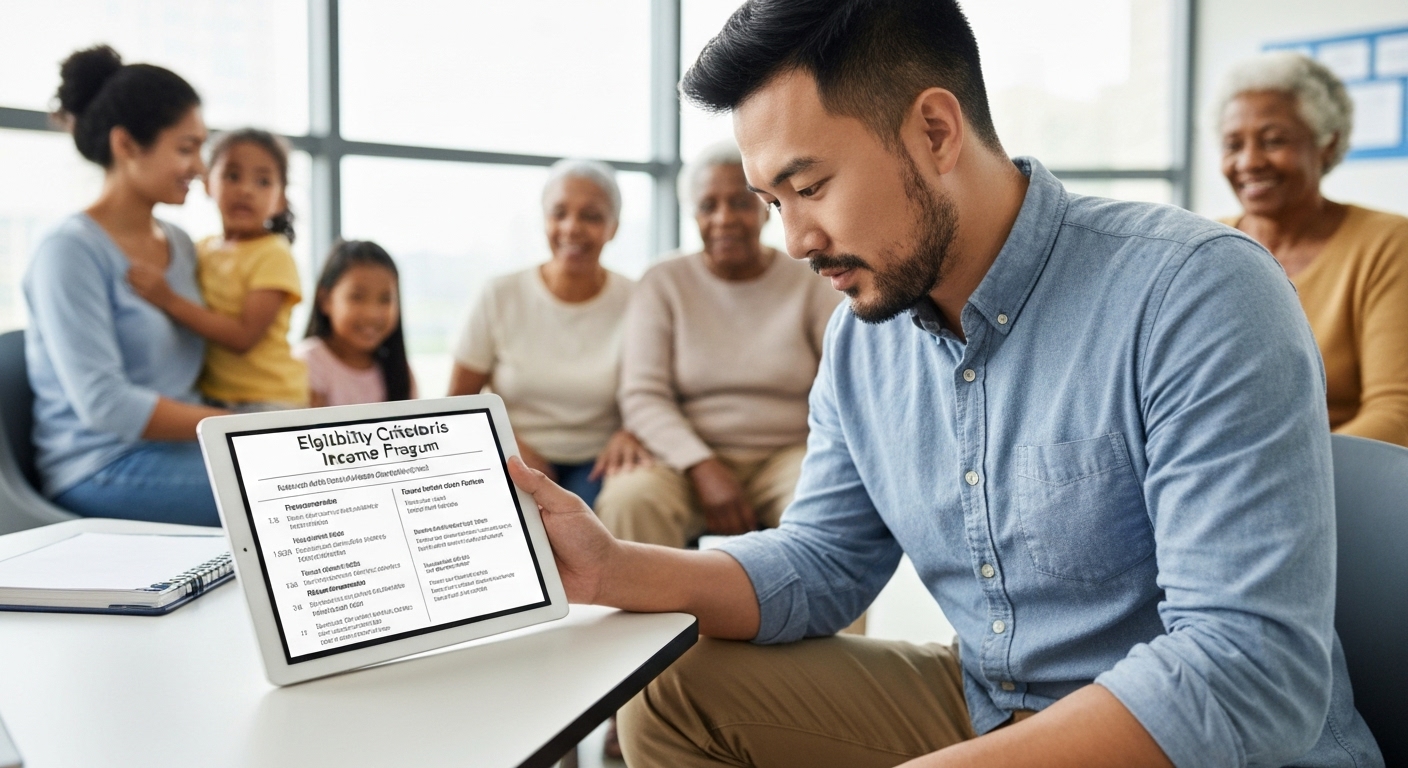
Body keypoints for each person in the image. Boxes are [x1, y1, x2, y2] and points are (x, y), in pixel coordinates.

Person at [504, 2, 1383, 767]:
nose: (795, 240)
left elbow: (1250, 668)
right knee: (672, 690)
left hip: (1195, 746)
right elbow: (824, 561)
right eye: (775, 202)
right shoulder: (863, 338)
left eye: (809, 186)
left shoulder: (1195, 290)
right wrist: (614, 568)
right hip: (993, 703)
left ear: (935, 131)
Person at [595, 140, 840, 548]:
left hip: (790, 452)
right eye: (708, 206)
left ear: (766, 208)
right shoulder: (663, 282)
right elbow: (642, 394)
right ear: (694, 215)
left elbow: (842, 381)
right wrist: (702, 466)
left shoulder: (809, 280)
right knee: (629, 499)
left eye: (740, 203)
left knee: (830, 507)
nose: (724, 218)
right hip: (682, 455)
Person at [24, 45, 225, 526]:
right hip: (101, 465)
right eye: (186, 148)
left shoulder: (180, 243)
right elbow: (105, 404)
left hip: (185, 449)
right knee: (283, 491)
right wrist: (238, 428)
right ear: (126, 144)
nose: (201, 167)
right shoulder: (68, 251)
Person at [1218, 51, 1408, 447]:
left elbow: (1396, 414)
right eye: (1233, 145)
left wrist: (1276, 471)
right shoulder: (1205, 247)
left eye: (1273, 141)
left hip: (1343, 475)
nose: (1249, 161)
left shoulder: (1389, 244)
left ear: (1326, 144)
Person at [448, 159, 650, 508]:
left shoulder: (637, 299)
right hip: (514, 452)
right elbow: (458, 402)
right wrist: (511, 447)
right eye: (559, 213)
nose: (572, 227)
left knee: (591, 524)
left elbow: (656, 391)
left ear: (613, 227)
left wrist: (630, 433)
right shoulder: (500, 294)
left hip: (598, 462)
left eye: (591, 216)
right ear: (544, 220)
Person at [128, 128, 308, 411]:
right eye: (232, 176)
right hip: (214, 397)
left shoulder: (274, 254)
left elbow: (244, 337)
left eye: (263, 181)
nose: (246, 190)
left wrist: (168, 300)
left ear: (280, 200)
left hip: (270, 399)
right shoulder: (201, 249)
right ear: (207, 184)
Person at [295, 240, 415, 407]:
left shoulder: (399, 371)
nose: (372, 313)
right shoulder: (307, 364)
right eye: (357, 297)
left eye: (385, 299)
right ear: (325, 300)